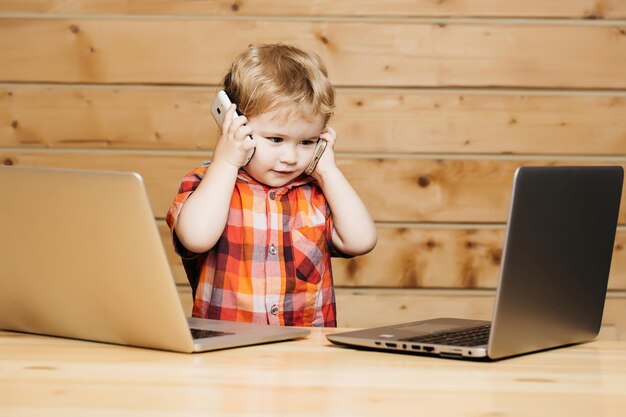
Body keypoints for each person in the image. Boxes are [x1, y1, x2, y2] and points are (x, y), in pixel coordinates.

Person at [166, 43, 377, 327]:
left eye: (307, 142)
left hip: (306, 357)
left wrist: (327, 171)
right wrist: (226, 163)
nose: (290, 158)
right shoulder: (208, 184)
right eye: (276, 140)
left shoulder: (316, 193)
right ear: (235, 124)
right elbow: (196, 237)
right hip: (227, 354)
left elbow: (361, 240)